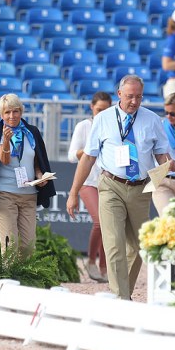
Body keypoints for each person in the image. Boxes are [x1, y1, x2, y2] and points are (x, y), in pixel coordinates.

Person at [66, 75, 175, 300]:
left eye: (138, 97)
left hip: (140, 188)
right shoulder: (103, 119)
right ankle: (121, 298)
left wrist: (168, 163)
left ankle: (122, 292)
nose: (134, 101)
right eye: (129, 96)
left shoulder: (152, 120)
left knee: (138, 246)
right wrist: (73, 192)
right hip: (110, 185)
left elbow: (161, 154)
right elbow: (87, 158)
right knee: (114, 243)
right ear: (119, 95)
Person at [0, 93, 56, 258]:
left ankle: (23, 281)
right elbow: (3, 161)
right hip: (4, 194)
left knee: (28, 247)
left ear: (21, 112)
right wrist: (5, 142)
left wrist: (40, 176)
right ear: (1, 114)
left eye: (15, 111)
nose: (12, 116)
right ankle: (9, 281)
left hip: (29, 195)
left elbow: (37, 160)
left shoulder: (32, 132)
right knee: (9, 245)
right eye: (7, 112)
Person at [68, 91, 112, 283]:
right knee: (100, 222)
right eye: (99, 109)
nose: (101, 113)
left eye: (106, 110)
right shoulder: (84, 126)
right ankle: (92, 262)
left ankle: (104, 266)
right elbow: (71, 155)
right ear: (92, 108)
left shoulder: (113, 127)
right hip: (87, 181)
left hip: (109, 181)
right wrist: (89, 153)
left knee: (109, 224)